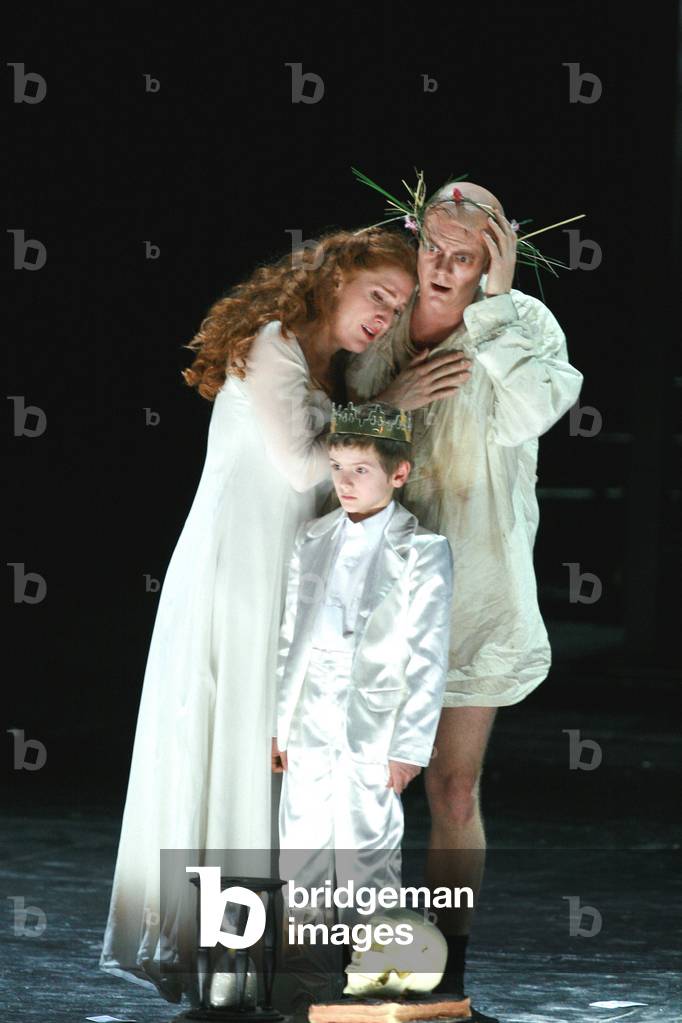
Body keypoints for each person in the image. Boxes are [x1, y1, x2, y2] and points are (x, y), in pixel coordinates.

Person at [99, 230, 416, 1006]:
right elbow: (307, 464)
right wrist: (397, 405)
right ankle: (229, 961)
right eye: (379, 295)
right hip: (237, 577)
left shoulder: (320, 364)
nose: (386, 315)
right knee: (239, 745)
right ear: (336, 278)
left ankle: (264, 955)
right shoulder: (273, 342)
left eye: (399, 307)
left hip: (280, 577)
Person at [346, 180, 584, 1001]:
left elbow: (536, 408)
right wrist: (391, 402)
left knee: (451, 785)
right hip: (375, 594)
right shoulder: (376, 327)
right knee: (365, 787)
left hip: (473, 593)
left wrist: (497, 306)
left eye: (463, 256)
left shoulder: (521, 325)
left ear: (493, 260)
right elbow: (328, 446)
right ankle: (360, 963)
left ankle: (444, 973)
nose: (442, 268)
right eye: (431, 249)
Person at [272, 401, 453, 1008]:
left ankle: (382, 979)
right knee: (300, 846)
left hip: (373, 720)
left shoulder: (423, 550)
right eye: (337, 467)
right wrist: (281, 724)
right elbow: (289, 638)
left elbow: (428, 656)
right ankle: (303, 977)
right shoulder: (314, 536)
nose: (344, 483)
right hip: (309, 712)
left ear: (398, 474)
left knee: (367, 845)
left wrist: (409, 746)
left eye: (360, 471)